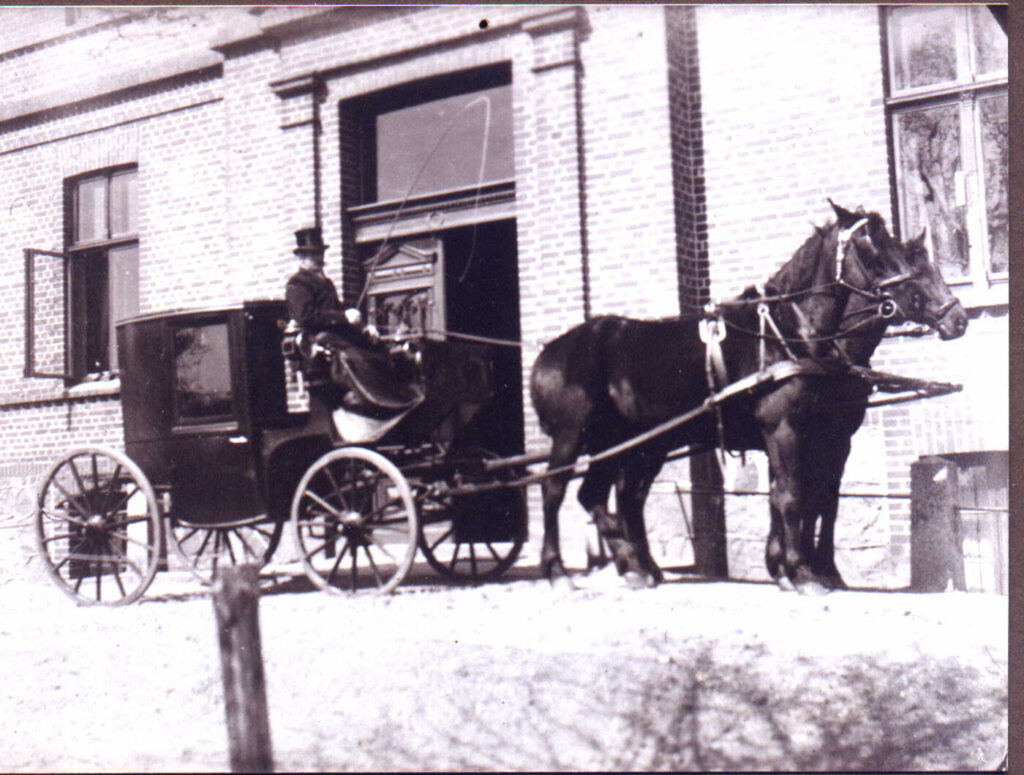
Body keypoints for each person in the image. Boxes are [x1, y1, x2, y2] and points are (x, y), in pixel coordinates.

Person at [284, 226, 420, 411]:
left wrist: (364, 328)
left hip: (339, 336)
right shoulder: (298, 284)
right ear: (302, 258)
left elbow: (337, 312)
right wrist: (343, 316)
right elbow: (305, 316)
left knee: (379, 349)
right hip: (321, 342)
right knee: (357, 357)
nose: (320, 259)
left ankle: (397, 396)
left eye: (320, 254)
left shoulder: (326, 282)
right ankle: (378, 402)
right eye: (314, 255)